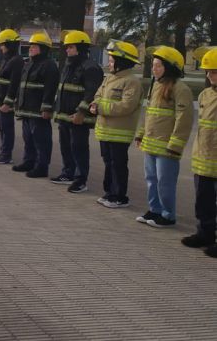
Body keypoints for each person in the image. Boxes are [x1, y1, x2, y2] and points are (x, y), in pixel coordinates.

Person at [134, 45, 193, 228]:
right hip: (151, 144)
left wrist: (176, 144)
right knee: (151, 180)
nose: (154, 68)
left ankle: (168, 216)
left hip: (167, 148)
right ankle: (155, 210)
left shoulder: (180, 89)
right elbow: (149, 113)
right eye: (153, 65)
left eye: (158, 65)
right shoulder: (156, 85)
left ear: (170, 67)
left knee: (165, 183)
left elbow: (184, 119)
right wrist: (140, 134)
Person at [89, 40, 143, 208]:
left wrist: (100, 107)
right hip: (105, 130)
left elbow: (126, 106)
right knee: (108, 163)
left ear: (122, 62)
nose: (109, 63)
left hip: (120, 132)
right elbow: (98, 95)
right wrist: (95, 104)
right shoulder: (109, 79)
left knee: (118, 164)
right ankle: (109, 193)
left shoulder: (131, 82)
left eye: (112, 61)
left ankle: (120, 196)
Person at [51, 30, 104, 193]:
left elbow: (91, 93)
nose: (67, 50)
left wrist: (81, 112)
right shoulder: (68, 65)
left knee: (79, 148)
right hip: (65, 116)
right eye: (66, 47)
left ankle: (81, 180)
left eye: (71, 47)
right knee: (66, 146)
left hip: (78, 118)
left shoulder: (91, 68)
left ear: (81, 48)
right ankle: (68, 173)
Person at [181, 47, 217, 257]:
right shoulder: (205, 94)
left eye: (213, 71)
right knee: (202, 200)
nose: (208, 75)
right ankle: (204, 233)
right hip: (204, 158)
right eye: (207, 71)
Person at [13, 32, 60, 178]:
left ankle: (41, 167)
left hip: (39, 110)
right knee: (28, 138)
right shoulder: (29, 64)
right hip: (27, 109)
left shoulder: (49, 65)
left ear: (44, 48)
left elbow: (50, 88)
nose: (31, 49)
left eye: (34, 46)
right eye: (30, 46)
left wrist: (46, 107)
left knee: (41, 140)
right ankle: (29, 162)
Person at [0, 29, 24, 165]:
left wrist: (8, 102)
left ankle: (6, 155)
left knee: (7, 128)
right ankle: (3, 152)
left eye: (3, 44)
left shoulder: (17, 61)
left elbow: (14, 84)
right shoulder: (7, 60)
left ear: (10, 45)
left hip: (5, 103)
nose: (1, 47)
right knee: (1, 127)